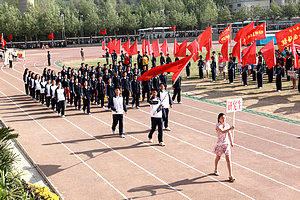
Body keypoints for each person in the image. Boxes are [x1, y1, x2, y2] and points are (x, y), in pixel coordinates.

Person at [213, 113, 235, 182]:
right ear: (219, 119)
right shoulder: (217, 126)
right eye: (222, 118)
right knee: (218, 157)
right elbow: (222, 132)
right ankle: (216, 169)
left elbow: (229, 134)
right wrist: (230, 129)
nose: (224, 119)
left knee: (228, 159)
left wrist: (231, 142)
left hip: (226, 144)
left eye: (224, 118)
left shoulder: (227, 125)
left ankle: (230, 175)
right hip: (220, 144)